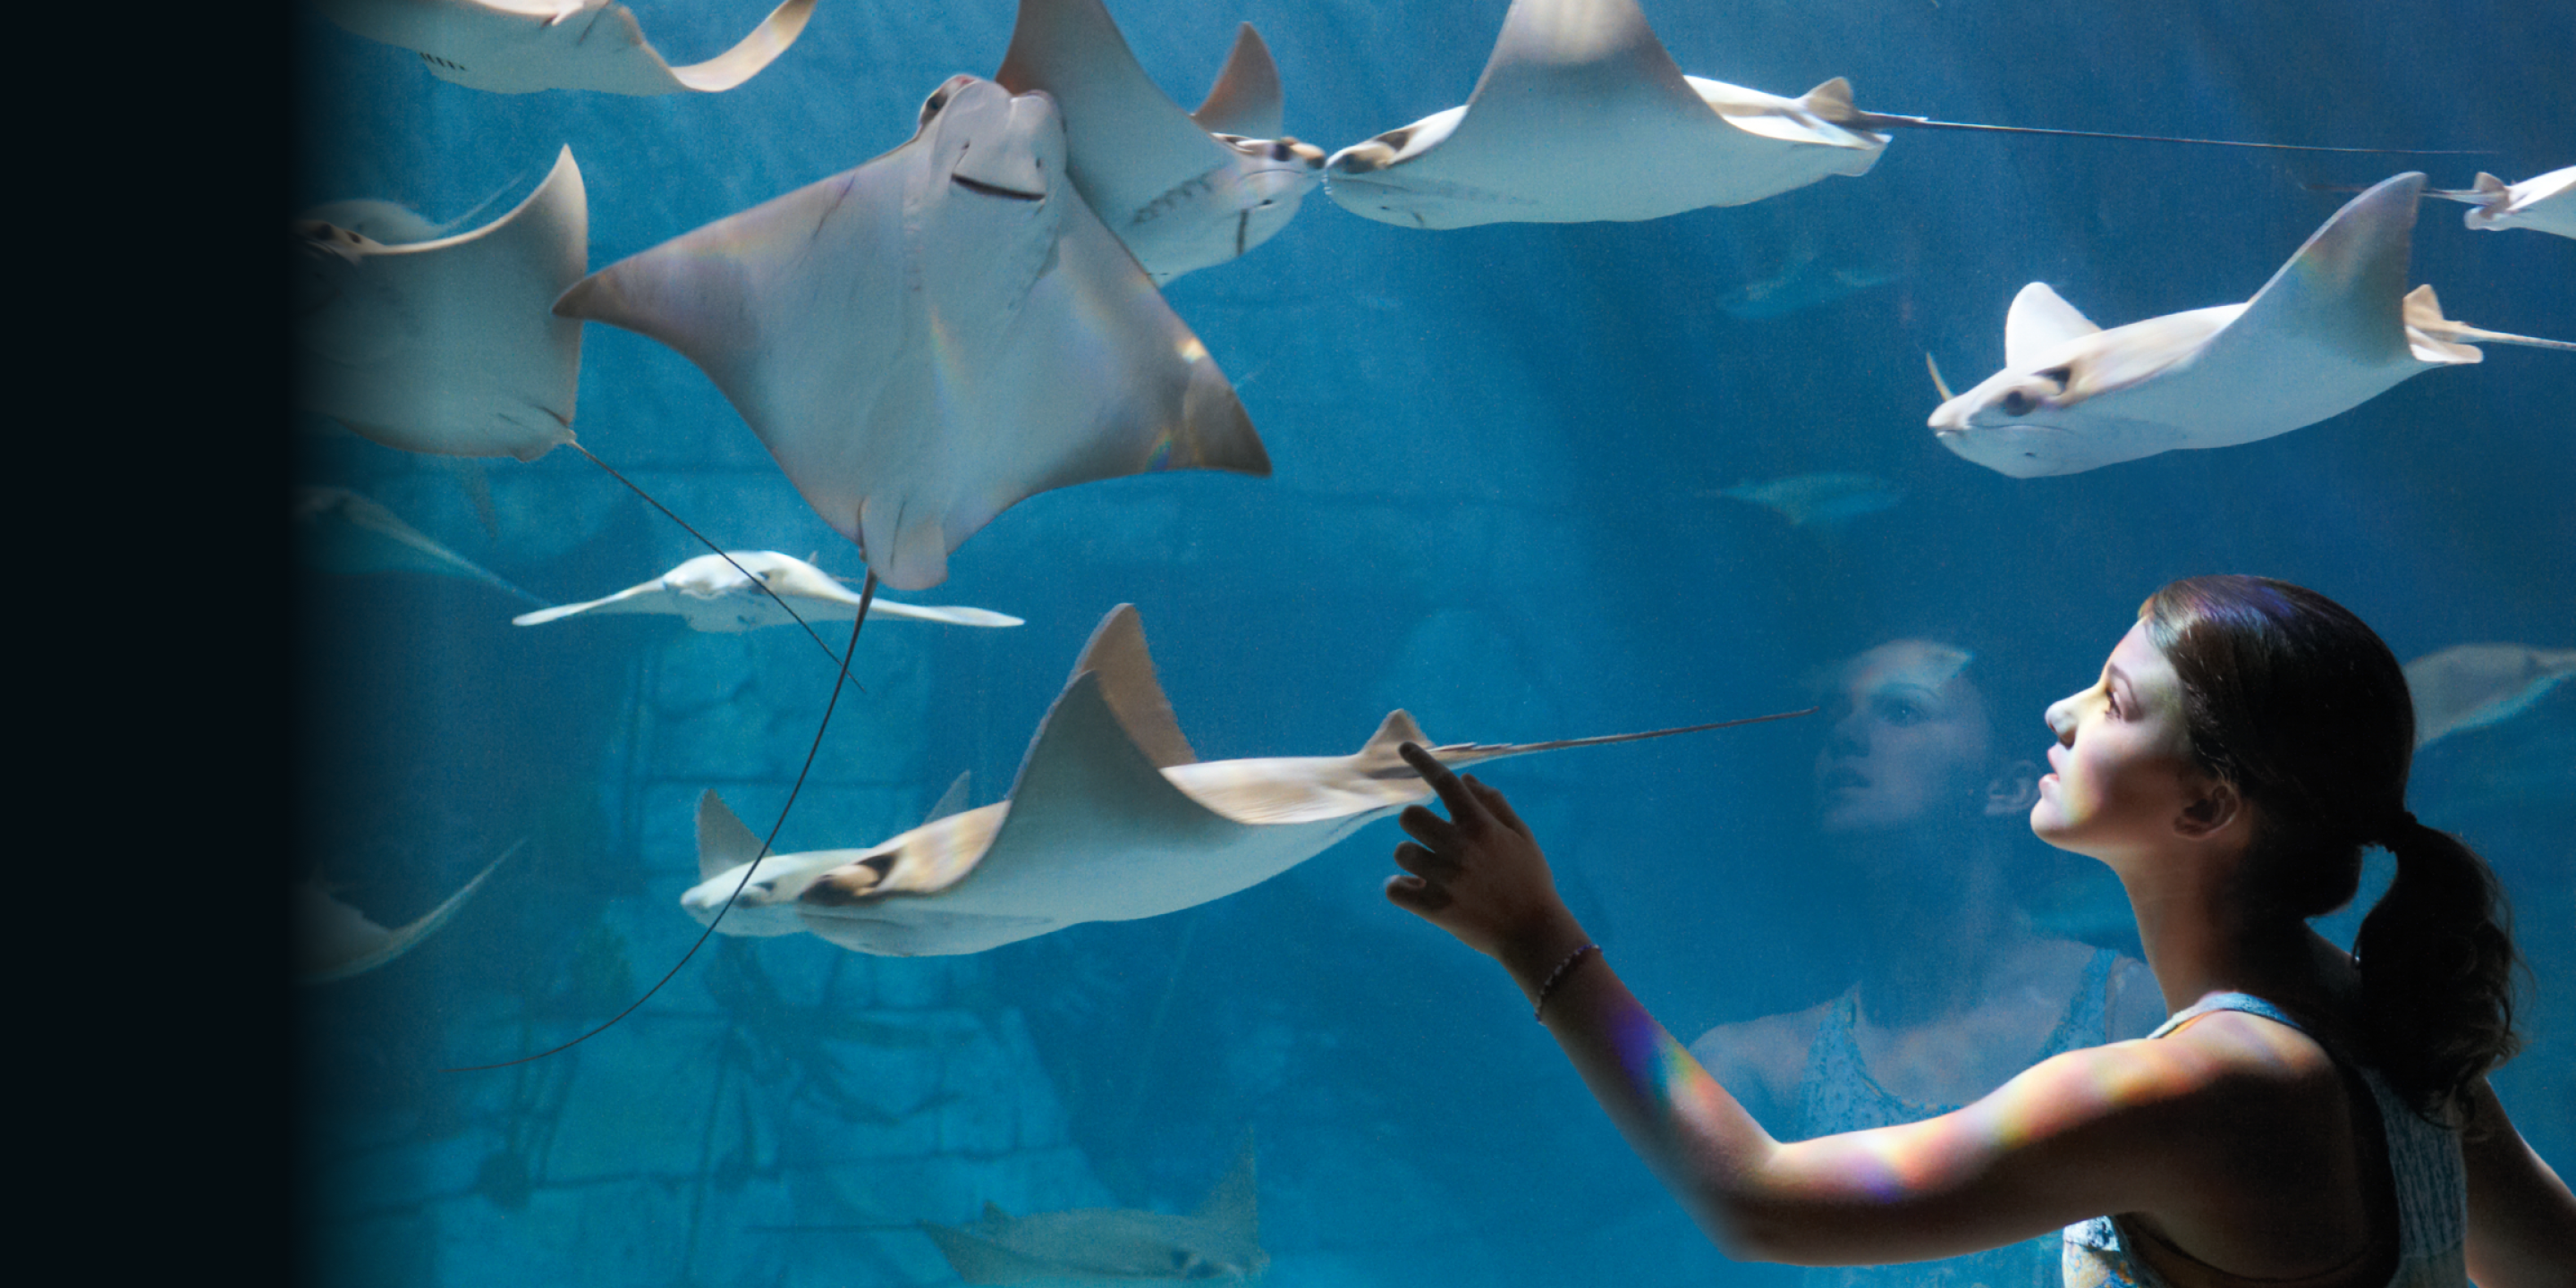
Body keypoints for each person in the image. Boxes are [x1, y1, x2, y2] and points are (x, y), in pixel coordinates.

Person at [1385, 576, 2572, 1286]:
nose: (2060, 712)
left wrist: (1534, 932)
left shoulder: (2203, 1084)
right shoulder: (2381, 1027)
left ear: (2209, 805)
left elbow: (1763, 1202)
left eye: (2113, 702)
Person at [1688, 639, 2165, 1288]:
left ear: (2005, 787)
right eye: (1840, 714)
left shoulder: (2139, 1017)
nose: (1849, 734)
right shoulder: (1759, 1072)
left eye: (1902, 712)